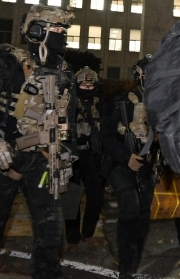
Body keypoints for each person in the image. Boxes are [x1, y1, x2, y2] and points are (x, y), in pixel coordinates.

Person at [0, 5, 77, 279]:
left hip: (42, 161)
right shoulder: (4, 62)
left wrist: (64, 152)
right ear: (36, 31)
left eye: (64, 30)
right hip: (2, 161)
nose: (62, 34)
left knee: (51, 234)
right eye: (56, 29)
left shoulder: (64, 72)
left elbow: (65, 118)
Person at [100, 56, 156, 279]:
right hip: (121, 165)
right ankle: (125, 261)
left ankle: (134, 257)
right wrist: (125, 158)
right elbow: (106, 134)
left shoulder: (162, 103)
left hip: (148, 167)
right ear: (138, 75)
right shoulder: (121, 102)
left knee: (143, 215)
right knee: (129, 209)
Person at [65, 66, 105, 244]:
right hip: (72, 154)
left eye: (90, 86)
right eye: (83, 85)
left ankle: (88, 229)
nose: (87, 89)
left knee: (96, 196)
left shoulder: (101, 105)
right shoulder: (69, 104)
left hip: (93, 155)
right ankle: (72, 232)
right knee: (71, 195)